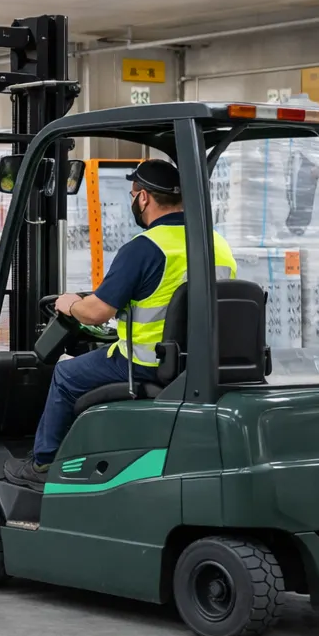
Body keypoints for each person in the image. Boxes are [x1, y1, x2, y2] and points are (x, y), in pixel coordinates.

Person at [27, 158, 237, 472]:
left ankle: (43, 465)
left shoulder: (144, 248)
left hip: (145, 364)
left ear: (143, 197)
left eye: (132, 195)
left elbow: (97, 312)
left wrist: (70, 304)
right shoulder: (216, 243)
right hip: (201, 363)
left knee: (65, 375)